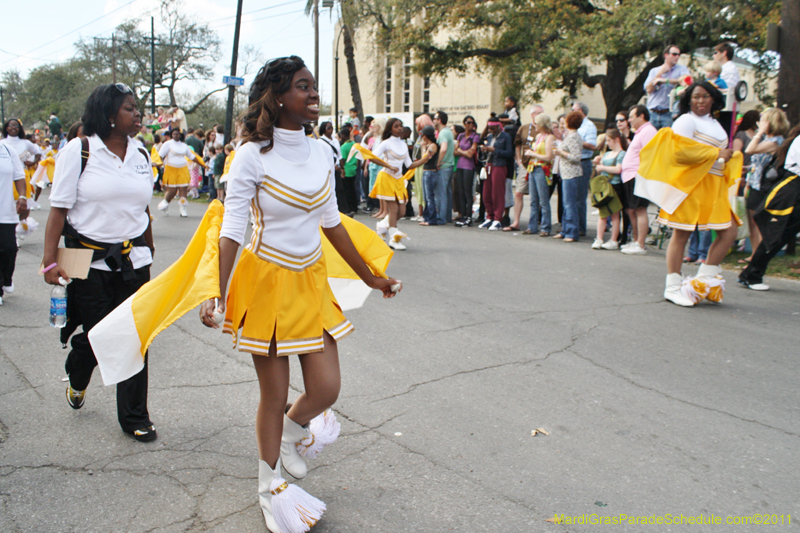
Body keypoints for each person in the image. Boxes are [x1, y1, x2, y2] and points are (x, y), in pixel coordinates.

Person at [197, 56, 400, 533]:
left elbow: (332, 224)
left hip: (310, 280)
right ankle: (269, 488)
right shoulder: (250, 156)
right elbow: (233, 228)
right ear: (278, 97)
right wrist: (217, 292)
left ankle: (292, 431)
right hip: (265, 282)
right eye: (302, 87)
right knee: (273, 393)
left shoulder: (322, 152)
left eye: (313, 86)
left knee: (327, 388)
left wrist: (370, 277)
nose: (313, 95)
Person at [41, 83, 157, 441]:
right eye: (129, 108)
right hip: (87, 262)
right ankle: (77, 372)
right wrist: (49, 260)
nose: (137, 114)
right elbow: (59, 210)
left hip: (134, 262)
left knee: (135, 338)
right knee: (99, 337)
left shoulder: (141, 152)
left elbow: (143, 209)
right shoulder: (79, 151)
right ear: (108, 115)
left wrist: (149, 249)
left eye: (137, 108)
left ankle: (135, 416)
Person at [636, 81, 740, 307]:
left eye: (705, 96)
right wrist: (716, 153)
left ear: (714, 98)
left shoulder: (714, 121)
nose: (701, 101)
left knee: (730, 230)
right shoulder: (685, 120)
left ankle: (704, 280)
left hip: (714, 185)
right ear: (688, 100)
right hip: (691, 184)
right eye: (696, 97)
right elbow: (678, 153)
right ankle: (673, 287)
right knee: (681, 234)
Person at [738, 125, 800, 291]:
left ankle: (751, 274)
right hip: (790, 193)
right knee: (776, 235)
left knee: (779, 235)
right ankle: (751, 275)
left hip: (792, 192)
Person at [369, 117, 426, 249]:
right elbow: (371, 157)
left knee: (402, 211)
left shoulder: (403, 144)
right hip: (386, 177)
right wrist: (388, 165)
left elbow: (409, 165)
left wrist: (425, 158)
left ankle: (382, 225)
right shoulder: (385, 143)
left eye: (400, 125)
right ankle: (394, 239)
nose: (400, 128)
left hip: (399, 180)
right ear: (390, 129)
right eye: (396, 126)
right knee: (394, 209)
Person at [742, 108, 790, 261]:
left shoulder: (774, 142)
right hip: (756, 183)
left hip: (763, 187)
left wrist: (759, 132)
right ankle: (754, 254)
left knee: (758, 222)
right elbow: (762, 162)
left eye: (762, 120)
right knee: (752, 221)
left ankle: (759, 256)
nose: (758, 123)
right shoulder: (768, 140)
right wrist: (748, 169)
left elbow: (750, 150)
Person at [620, 105, 658, 255]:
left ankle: (640, 244)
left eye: (631, 117)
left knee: (640, 209)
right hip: (631, 176)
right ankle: (637, 241)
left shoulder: (648, 131)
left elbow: (650, 155)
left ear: (641, 116)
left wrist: (641, 174)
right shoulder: (640, 132)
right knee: (634, 209)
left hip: (638, 176)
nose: (629, 120)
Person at [0, 138, 29, 305]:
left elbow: (19, 176)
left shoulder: (7, 150)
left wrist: (23, 197)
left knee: (9, 249)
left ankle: (6, 278)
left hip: (5, 211)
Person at [591, 128, 628, 249]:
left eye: (609, 140)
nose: (607, 143)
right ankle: (599, 238)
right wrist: (598, 164)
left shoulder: (621, 153)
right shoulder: (607, 154)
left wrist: (602, 167)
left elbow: (618, 169)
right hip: (604, 185)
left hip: (615, 185)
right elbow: (601, 168)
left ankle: (613, 240)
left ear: (616, 140)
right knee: (603, 213)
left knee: (614, 214)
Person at [509, 105, 544, 231]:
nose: (540, 115)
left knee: (538, 196)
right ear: (532, 114)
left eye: (542, 113)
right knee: (519, 192)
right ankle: (516, 221)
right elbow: (518, 144)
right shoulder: (524, 128)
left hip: (539, 164)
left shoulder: (545, 130)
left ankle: (538, 222)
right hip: (525, 164)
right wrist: (518, 160)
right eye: (538, 113)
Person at [552, 112, 586, 242]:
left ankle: (572, 232)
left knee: (569, 204)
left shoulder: (574, 137)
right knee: (566, 203)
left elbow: (576, 157)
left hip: (571, 174)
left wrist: (560, 152)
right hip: (566, 173)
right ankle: (565, 230)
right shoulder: (569, 135)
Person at [478, 116, 514, 231]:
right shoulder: (489, 137)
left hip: (499, 165)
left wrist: (494, 150)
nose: (491, 130)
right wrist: (484, 149)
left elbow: (509, 153)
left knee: (497, 192)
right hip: (489, 164)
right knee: (486, 192)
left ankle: (498, 218)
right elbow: (481, 138)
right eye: (489, 128)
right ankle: (489, 216)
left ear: (498, 127)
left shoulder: (505, 137)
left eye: (493, 128)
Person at [522, 113, 555, 236]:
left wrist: (533, 154)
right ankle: (532, 226)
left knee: (543, 200)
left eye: (536, 123)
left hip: (542, 168)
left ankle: (545, 227)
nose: (534, 125)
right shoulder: (538, 136)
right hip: (533, 167)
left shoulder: (549, 138)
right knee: (533, 200)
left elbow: (548, 157)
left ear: (542, 124)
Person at [644, 44, 690, 130]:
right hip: (652, 112)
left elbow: (688, 81)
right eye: (674, 54)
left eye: (678, 55)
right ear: (666, 55)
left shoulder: (681, 69)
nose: (677, 57)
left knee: (667, 138)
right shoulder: (654, 71)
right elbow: (648, 89)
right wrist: (659, 74)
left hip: (669, 113)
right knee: (651, 138)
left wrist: (665, 81)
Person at [571, 102, 597, 236]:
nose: (571, 112)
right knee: (570, 197)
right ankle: (570, 225)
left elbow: (593, 146)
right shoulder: (573, 125)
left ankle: (580, 227)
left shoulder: (589, 126)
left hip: (583, 161)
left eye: (573, 109)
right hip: (571, 161)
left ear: (580, 111)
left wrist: (576, 140)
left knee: (579, 198)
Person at [157, 129, 197, 217]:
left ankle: (183, 208)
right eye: (174, 134)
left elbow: (192, 156)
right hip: (171, 169)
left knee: (183, 189)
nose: (175, 135)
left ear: (180, 135)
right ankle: (165, 204)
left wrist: (202, 163)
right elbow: (160, 156)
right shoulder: (167, 144)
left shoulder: (184, 145)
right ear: (172, 135)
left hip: (182, 169)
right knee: (172, 191)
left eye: (177, 134)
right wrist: (160, 164)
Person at [1, 119, 42, 203]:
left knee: (24, 203)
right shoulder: (2, 143)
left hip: (22, 176)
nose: (14, 127)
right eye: (11, 125)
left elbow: (38, 153)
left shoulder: (25, 142)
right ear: (6, 128)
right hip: (6, 177)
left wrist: (33, 162)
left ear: (19, 129)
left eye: (16, 126)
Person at [453, 115, 480, 227]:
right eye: (468, 122)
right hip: (460, 165)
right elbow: (454, 151)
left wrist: (460, 151)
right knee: (460, 191)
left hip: (469, 166)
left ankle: (469, 216)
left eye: (472, 123)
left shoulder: (475, 137)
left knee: (467, 191)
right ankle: (462, 214)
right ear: (464, 124)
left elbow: (471, 153)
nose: (470, 125)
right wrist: (464, 152)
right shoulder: (461, 136)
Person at [433, 111, 455, 223]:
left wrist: (438, 162)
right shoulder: (448, 132)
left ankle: (441, 217)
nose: (433, 120)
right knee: (447, 192)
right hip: (450, 165)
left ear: (440, 120)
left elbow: (443, 148)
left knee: (441, 193)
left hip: (444, 166)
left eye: (435, 118)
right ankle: (447, 216)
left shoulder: (442, 133)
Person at [418, 125, 443, 226]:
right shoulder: (429, 145)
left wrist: (423, 148)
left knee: (429, 197)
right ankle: (427, 217)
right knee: (426, 196)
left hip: (430, 172)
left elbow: (425, 158)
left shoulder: (433, 146)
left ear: (425, 135)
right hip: (426, 171)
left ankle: (432, 219)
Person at [411, 114, 433, 222]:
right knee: (418, 188)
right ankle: (420, 212)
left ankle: (424, 213)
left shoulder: (426, 138)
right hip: (417, 164)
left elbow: (426, 154)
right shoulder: (419, 137)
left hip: (423, 164)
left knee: (423, 189)